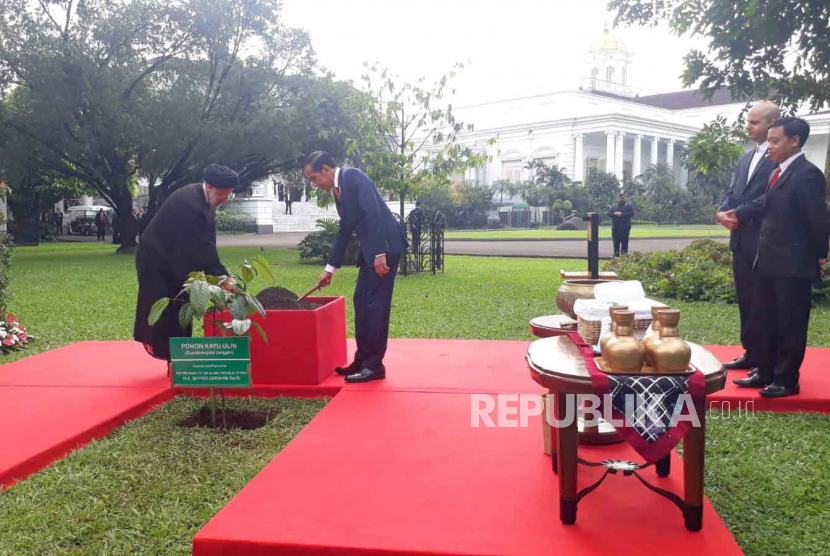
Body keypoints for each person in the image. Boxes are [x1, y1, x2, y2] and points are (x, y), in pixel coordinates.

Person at [725, 118, 829, 398]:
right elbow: (765, 203)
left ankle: (786, 379)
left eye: (774, 141)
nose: (768, 146)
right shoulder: (780, 172)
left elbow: (819, 220)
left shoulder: (807, 174)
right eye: (768, 140)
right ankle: (766, 371)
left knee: (790, 323)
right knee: (765, 319)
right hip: (767, 260)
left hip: (793, 265)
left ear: (794, 141)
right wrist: (737, 214)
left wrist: (820, 255)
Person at [305, 151, 407, 383]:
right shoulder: (339, 191)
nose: (314, 184)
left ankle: (374, 366)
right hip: (371, 251)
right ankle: (362, 360)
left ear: (326, 170)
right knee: (361, 301)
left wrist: (380, 252)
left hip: (385, 247)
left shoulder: (355, 178)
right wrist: (329, 269)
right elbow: (345, 229)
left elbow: (374, 214)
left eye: (313, 178)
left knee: (376, 306)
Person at [133, 164, 238, 362]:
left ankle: (179, 358)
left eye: (228, 194)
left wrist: (220, 275)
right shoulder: (190, 204)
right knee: (167, 309)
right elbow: (202, 248)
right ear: (210, 187)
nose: (225, 199)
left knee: (183, 305)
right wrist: (223, 277)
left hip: (177, 259)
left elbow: (206, 243)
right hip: (157, 262)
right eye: (223, 194)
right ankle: (171, 358)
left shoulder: (206, 201)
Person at [716, 101, 780, 372]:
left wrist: (739, 212)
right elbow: (734, 193)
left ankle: (767, 358)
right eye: (748, 121)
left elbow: (772, 197)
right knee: (746, 297)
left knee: (765, 301)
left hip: (766, 240)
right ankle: (751, 352)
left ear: (771, 125)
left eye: (755, 122)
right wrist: (721, 212)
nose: (748, 126)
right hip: (740, 239)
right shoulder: (745, 158)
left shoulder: (780, 159)